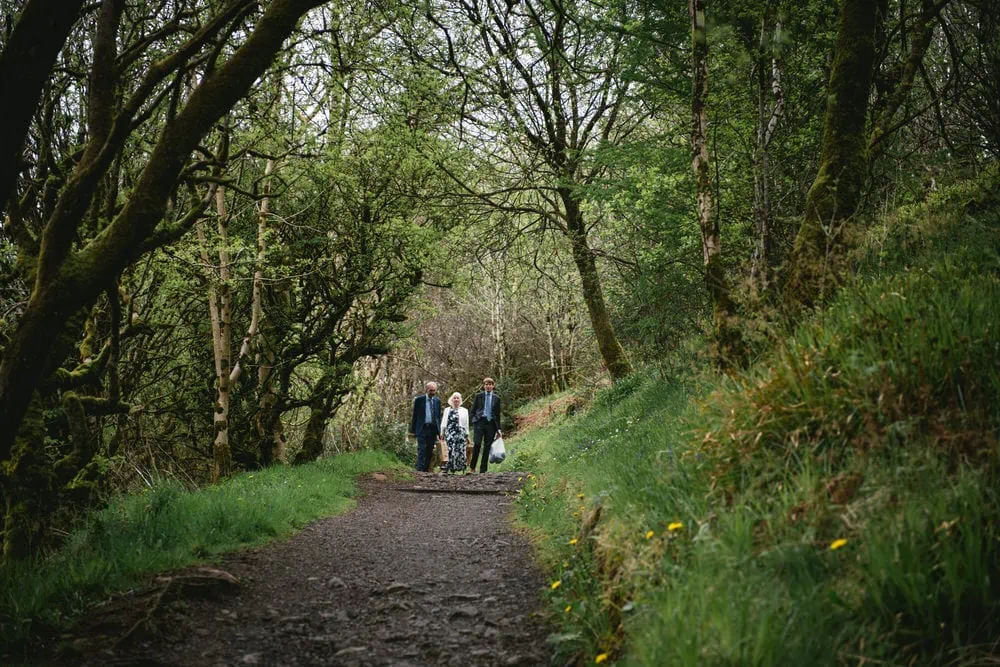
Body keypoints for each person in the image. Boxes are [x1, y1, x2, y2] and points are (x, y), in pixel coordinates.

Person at [468, 377, 502, 474]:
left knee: (487, 447)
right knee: (477, 444)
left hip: (491, 424)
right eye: (486, 384)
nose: (488, 386)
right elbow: (473, 410)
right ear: (484, 386)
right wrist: (474, 420)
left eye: (490, 384)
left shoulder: (497, 398)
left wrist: (499, 429)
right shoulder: (478, 396)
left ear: (493, 386)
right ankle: (472, 468)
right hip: (479, 422)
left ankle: (483, 470)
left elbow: (498, 414)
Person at [409, 381, 442, 472]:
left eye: (434, 391)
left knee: (429, 450)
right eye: (431, 390)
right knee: (421, 449)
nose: (432, 392)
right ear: (426, 390)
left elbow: (438, 417)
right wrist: (413, 430)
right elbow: (415, 415)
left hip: (432, 429)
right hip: (422, 428)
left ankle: (426, 469)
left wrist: (439, 431)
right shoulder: (419, 400)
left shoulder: (437, 401)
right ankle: (420, 469)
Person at [440, 392, 470, 473]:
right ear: (451, 399)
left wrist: (467, 435)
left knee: (460, 450)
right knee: (450, 449)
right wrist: (442, 433)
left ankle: (460, 468)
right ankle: (450, 467)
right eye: (454, 398)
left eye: (458, 398)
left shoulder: (464, 410)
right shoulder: (447, 410)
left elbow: (466, 423)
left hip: (461, 433)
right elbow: (443, 422)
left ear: (460, 400)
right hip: (450, 432)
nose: (456, 399)